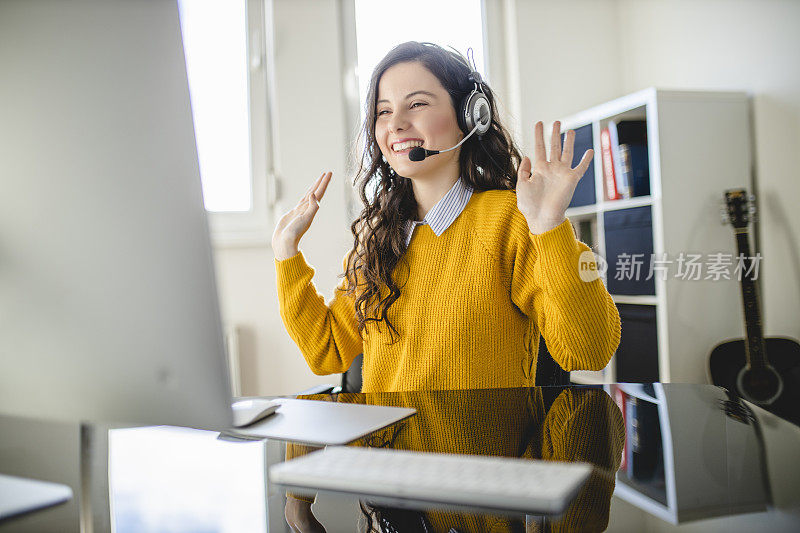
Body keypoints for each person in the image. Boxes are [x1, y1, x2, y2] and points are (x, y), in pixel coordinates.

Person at [274, 40, 621, 533]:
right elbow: (327, 352)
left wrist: (549, 229)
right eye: (382, 111)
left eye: (417, 104)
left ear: (469, 115)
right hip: (385, 495)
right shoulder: (376, 238)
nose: (395, 124)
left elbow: (588, 349)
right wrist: (287, 252)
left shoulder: (511, 220)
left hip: (481, 498)